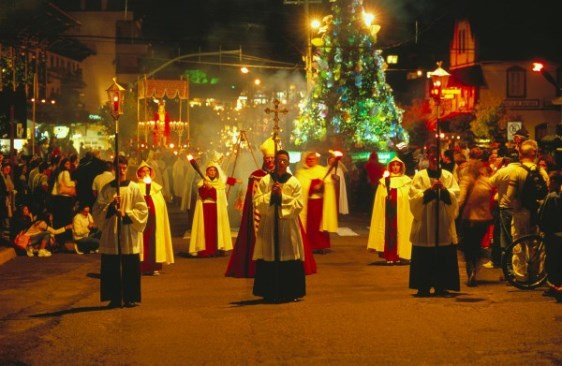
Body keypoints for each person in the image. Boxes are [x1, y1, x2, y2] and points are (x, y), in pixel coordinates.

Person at [93, 156, 148, 308]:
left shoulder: (133, 188)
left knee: (130, 265)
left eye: (124, 168)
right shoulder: (107, 188)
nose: (122, 171)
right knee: (112, 266)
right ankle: (114, 297)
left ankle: (130, 297)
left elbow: (142, 210)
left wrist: (127, 214)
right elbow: (97, 210)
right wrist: (111, 207)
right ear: (114, 169)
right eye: (119, 168)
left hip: (128, 230)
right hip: (112, 231)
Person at [252, 149, 306, 303]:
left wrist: (282, 196)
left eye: (284, 161)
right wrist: (271, 196)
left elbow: (298, 204)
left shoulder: (294, 182)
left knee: (288, 254)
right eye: (278, 161)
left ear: (288, 163)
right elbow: (257, 201)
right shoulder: (265, 181)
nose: (281, 163)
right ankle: (268, 291)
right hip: (269, 224)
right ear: (274, 163)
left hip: (287, 225)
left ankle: (291, 291)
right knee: (269, 254)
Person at [408, 145, 460, 297]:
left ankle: (441, 286)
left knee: (442, 253)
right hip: (426, 221)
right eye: (432, 155)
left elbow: (455, 195)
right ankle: (423, 286)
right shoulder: (420, 176)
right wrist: (430, 191)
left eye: (437, 155)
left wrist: (444, 190)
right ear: (427, 157)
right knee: (424, 254)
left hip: (442, 220)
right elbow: (414, 197)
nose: (435, 158)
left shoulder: (448, 176)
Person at [225, 142, 276, 277]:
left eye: (272, 158)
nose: (270, 160)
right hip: (259, 212)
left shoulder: (281, 175)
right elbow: (252, 197)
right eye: (267, 158)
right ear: (264, 159)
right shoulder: (256, 175)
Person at [367, 156, 413, 264]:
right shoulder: (384, 182)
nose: (395, 167)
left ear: (401, 167)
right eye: (393, 165)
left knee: (400, 232)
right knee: (389, 233)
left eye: (398, 165)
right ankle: (390, 256)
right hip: (388, 213)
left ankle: (399, 255)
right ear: (390, 167)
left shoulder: (407, 181)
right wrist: (387, 198)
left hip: (401, 213)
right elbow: (380, 199)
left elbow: (409, 197)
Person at [457, 158, 493, 287]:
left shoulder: (467, 180)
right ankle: (475, 270)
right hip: (484, 219)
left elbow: (460, 199)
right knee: (477, 245)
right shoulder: (486, 181)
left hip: (470, 218)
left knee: (467, 247)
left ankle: (471, 271)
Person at [295, 151, 338, 254]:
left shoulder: (322, 171)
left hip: (319, 202)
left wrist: (322, 185)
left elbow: (329, 185)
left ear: (317, 160)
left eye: (313, 159)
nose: (310, 161)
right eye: (308, 159)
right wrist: (311, 186)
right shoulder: (300, 172)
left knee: (319, 225)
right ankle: (308, 244)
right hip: (307, 203)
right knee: (309, 225)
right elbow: (298, 187)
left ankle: (320, 245)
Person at [506, 139, 549, 241]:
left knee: (519, 243)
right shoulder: (542, 172)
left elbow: (509, 195)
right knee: (535, 242)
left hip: (520, 213)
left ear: (520, 154)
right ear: (534, 155)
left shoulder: (517, 172)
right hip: (538, 213)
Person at [136, 161, 174, 275]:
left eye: (148, 170)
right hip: (142, 222)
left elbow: (160, 206)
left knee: (154, 242)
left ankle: (153, 266)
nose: (146, 173)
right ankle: (141, 267)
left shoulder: (156, 189)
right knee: (142, 243)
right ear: (139, 173)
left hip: (154, 221)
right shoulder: (136, 188)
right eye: (143, 171)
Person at [189, 161, 233, 257]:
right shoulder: (202, 182)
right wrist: (206, 187)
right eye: (210, 170)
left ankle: (217, 249)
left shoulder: (220, 183)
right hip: (205, 208)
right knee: (206, 231)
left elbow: (218, 197)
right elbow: (203, 196)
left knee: (216, 230)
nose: (212, 172)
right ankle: (206, 251)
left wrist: (212, 189)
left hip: (217, 209)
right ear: (207, 172)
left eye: (214, 170)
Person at [538, 171, 562, 301]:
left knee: (552, 261)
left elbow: (544, 215)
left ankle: (554, 287)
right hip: (558, 232)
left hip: (552, 233)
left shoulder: (552, 196)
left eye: (549, 181)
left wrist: (542, 227)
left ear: (554, 182)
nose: (547, 183)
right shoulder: (558, 195)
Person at [50, 158, 76, 248]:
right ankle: (63, 240)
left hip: (57, 199)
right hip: (64, 199)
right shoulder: (66, 173)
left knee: (59, 220)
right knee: (66, 219)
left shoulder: (58, 172)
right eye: (67, 163)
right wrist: (74, 183)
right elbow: (68, 184)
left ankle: (59, 240)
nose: (68, 165)